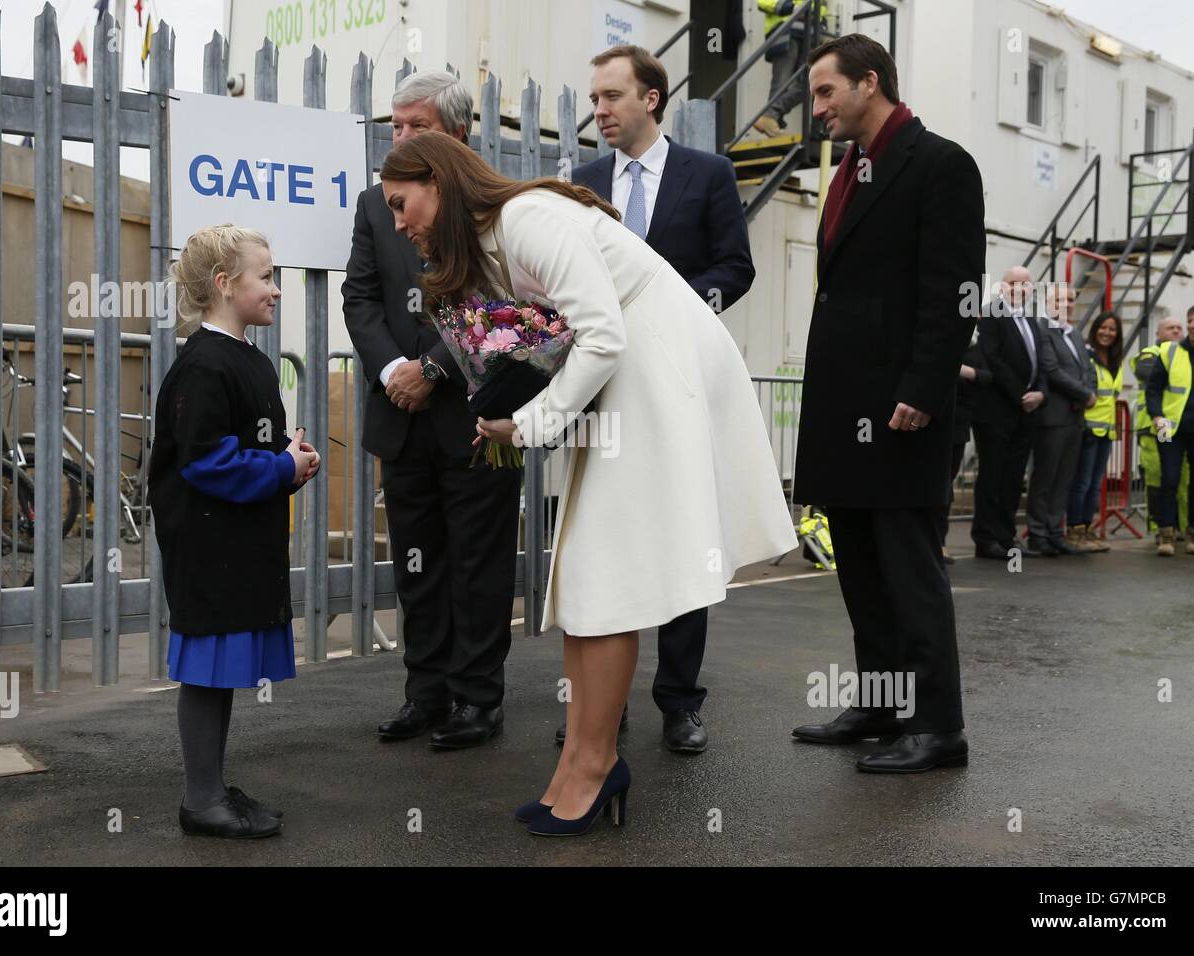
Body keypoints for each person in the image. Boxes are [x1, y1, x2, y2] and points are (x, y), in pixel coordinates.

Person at [379, 131, 797, 835]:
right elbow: (555, 337)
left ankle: (594, 767)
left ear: (440, 183)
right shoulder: (499, 236)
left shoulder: (528, 220)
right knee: (585, 578)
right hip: (630, 383)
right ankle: (582, 760)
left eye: (401, 202)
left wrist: (534, 424)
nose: (397, 221)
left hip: (653, 374)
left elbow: (601, 335)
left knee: (606, 580)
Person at [788, 34, 983, 773]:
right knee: (861, 567)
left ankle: (938, 726)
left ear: (871, 83)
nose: (819, 108)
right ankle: (881, 702)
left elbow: (953, 290)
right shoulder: (850, 169)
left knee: (909, 567)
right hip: (845, 406)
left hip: (903, 410)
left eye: (827, 91)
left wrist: (924, 390)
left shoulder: (940, 164)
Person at [570, 44, 754, 753]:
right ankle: (601, 710)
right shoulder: (584, 181)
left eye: (612, 96)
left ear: (652, 98)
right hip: (603, 388)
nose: (600, 111)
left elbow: (734, 267)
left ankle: (679, 701)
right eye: (594, 100)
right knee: (605, 539)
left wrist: (678, 310)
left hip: (679, 382)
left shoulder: (707, 174)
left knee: (684, 538)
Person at [342, 71, 523, 750]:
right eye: (396, 124)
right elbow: (359, 297)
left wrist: (435, 369)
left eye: (418, 125)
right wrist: (395, 370)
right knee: (418, 564)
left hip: (484, 414)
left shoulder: (495, 204)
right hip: (402, 416)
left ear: (458, 131)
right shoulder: (374, 204)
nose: (403, 136)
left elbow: (503, 304)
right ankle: (427, 693)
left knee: (481, 566)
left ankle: (479, 701)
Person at [148, 225, 321, 839]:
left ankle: (211, 788)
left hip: (235, 546)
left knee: (217, 673)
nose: (276, 289)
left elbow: (247, 448)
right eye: (266, 276)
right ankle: (200, 800)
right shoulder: (203, 364)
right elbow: (205, 462)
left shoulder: (244, 357)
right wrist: (281, 466)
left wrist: (288, 466)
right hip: (208, 550)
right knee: (205, 670)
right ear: (224, 284)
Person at [971, 266, 1048, 560]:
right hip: (996, 411)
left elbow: (1040, 362)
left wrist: (1040, 393)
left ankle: (1006, 537)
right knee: (992, 476)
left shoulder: (1032, 320)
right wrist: (1020, 396)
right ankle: (985, 538)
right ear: (1003, 287)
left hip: (1026, 412)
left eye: (1026, 284)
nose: (1020, 288)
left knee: (1014, 478)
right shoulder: (991, 315)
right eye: (1014, 283)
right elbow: (994, 360)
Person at [1027, 286, 1096, 557]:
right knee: (1045, 477)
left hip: (1075, 417)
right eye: (1060, 299)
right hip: (1052, 417)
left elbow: (1087, 370)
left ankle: (1055, 532)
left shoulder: (1075, 334)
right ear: (1048, 302)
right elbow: (1050, 369)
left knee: (1063, 479)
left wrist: (1089, 394)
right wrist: (1083, 393)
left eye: (1069, 300)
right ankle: (1038, 534)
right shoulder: (1042, 330)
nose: (1066, 304)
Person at [1147, 303, 1194, 556]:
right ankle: (1166, 535)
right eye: (1191, 320)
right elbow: (1153, 388)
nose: (1192, 325)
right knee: (1169, 480)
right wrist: (1156, 415)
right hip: (1169, 428)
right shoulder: (1171, 352)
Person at [1066, 311, 1123, 552]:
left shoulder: (1115, 360)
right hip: (1087, 429)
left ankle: (1087, 530)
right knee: (1082, 482)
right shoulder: (1087, 355)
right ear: (1095, 329)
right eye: (1103, 328)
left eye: (1112, 329)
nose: (1107, 333)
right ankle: (1074, 531)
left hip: (1106, 432)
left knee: (1094, 484)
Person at [1132, 316, 1187, 538]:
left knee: (1183, 477)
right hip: (1157, 427)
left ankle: (1184, 527)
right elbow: (1148, 372)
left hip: (1180, 427)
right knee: (1158, 476)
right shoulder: (1149, 354)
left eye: (1178, 328)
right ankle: (1160, 528)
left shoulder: (1187, 355)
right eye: (1170, 328)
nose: (1176, 331)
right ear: (1158, 334)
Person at [940, 338, 989, 564]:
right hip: (932, 419)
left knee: (945, 486)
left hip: (957, 424)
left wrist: (964, 372)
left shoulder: (975, 347)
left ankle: (939, 542)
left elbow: (986, 377)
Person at [754, 0, 827, 137]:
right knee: (782, 81)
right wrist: (792, 7)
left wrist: (820, 21)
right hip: (785, 29)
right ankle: (772, 122)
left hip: (810, 33)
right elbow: (763, 2)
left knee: (809, 82)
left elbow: (821, 7)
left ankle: (772, 116)